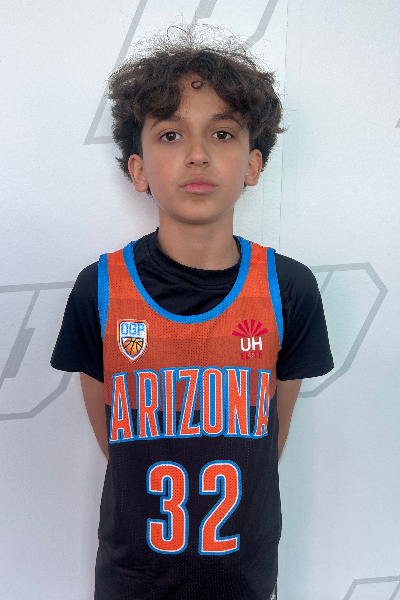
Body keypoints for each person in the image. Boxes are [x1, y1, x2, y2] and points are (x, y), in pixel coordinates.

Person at [51, 26, 333, 600]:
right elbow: (116, 442)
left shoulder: (288, 290)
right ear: (138, 169)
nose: (198, 153)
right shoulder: (98, 291)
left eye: (222, 133)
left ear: (253, 165)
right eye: (171, 134)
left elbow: (268, 439)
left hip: (242, 577)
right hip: (133, 579)